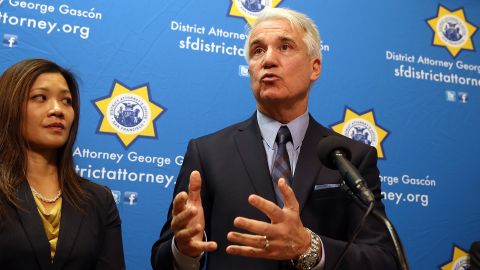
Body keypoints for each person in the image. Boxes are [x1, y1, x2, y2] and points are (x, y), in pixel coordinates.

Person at [151, 7, 398, 270]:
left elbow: (384, 260)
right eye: (258, 51)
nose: (268, 60)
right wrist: (185, 250)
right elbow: (164, 260)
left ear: (315, 68)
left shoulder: (351, 157)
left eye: (285, 47)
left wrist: (308, 247)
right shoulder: (207, 152)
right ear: (250, 69)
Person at [0, 59, 125, 269]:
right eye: (40, 97)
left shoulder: (98, 200)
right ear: (9, 105)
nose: (58, 110)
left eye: (66, 101)